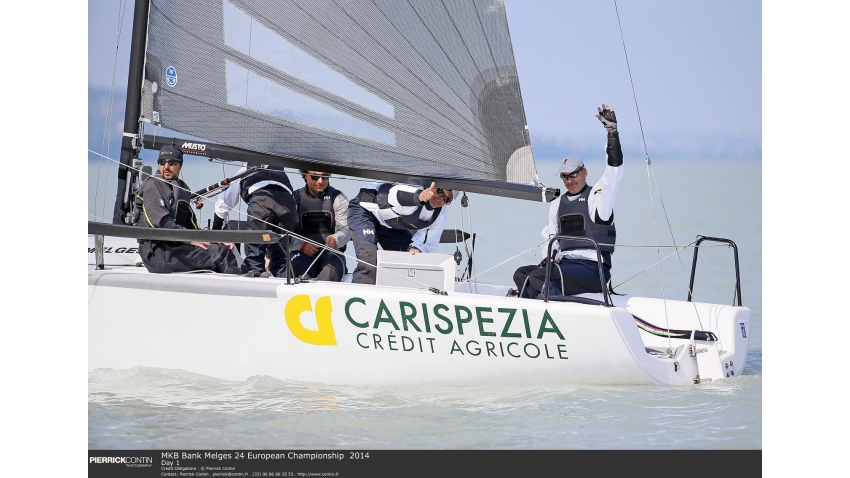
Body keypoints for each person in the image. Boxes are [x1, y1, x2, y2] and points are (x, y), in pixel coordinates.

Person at [513, 104, 623, 298]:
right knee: (522, 274)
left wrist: (612, 133)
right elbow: (550, 237)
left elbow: (613, 174)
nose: (569, 180)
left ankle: (557, 308)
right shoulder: (556, 205)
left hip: (592, 270)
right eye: (564, 176)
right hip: (565, 266)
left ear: (585, 172)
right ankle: (540, 304)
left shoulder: (598, 198)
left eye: (573, 174)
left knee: (540, 277)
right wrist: (548, 259)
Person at [134, 145, 241, 274]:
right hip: (158, 254)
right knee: (221, 254)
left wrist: (215, 240)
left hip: (175, 248)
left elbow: (192, 227)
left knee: (220, 247)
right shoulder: (152, 186)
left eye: (172, 162)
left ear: (180, 165)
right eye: (162, 162)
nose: (166, 167)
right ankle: (240, 290)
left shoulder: (182, 189)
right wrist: (190, 240)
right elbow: (160, 222)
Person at [348, 182, 454, 285]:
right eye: (440, 192)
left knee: (409, 261)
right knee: (369, 261)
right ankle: (360, 298)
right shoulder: (413, 187)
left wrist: (417, 247)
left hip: (391, 224)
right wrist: (418, 197)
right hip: (366, 212)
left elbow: (429, 240)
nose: (440, 199)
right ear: (433, 186)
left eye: (447, 199)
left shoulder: (440, 213)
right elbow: (394, 193)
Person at [212, 162, 296, 276]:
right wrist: (269, 256)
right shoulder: (280, 170)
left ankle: (254, 287)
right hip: (289, 207)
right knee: (281, 259)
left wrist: (215, 233)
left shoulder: (246, 170)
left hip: (262, 204)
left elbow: (222, 205)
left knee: (254, 258)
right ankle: (284, 287)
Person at [288, 170, 350, 281]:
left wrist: (335, 239)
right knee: (299, 268)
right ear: (305, 176)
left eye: (325, 177)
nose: (320, 181)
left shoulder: (338, 198)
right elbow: (284, 233)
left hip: (332, 253)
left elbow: (346, 230)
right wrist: (302, 245)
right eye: (315, 177)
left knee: (332, 270)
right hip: (301, 253)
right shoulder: (293, 198)